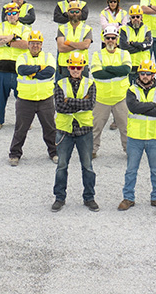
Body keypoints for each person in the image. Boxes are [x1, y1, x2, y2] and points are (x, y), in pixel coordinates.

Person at [119, 59, 156, 211]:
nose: (145, 76)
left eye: (148, 73)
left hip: (154, 137)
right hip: (135, 137)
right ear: (138, 74)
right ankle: (128, 198)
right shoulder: (131, 90)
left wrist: (142, 108)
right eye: (142, 73)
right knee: (131, 170)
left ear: (153, 75)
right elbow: (133, 107)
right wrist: (152, 105)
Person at [52, 53, 98, 212]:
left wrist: (69, 101)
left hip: (84, 130)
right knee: (62, 166)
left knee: (88, 166)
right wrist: (80, 103)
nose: (76, 70)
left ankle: (89, 197)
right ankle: (59, 198)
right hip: (65, 130)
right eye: (73, 67)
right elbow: (59, 106)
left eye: (79, 67)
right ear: (68, 67)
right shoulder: (60, 84)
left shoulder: (90, 83)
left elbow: (90, 105)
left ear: (83, 67)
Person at [9, 32, 58, 166]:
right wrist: (39, 69)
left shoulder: (49, 57)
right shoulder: (22, 57)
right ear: (28, 44)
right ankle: (14, 154)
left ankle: (54, 152)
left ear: (41, 44)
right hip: (25, 100)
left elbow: (50, 72)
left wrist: (32, 73)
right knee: (21, 129)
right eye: (32, 43)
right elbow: (21, 69)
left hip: (45, 99)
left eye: (38, 43)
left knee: (50, 128)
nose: (35, 46)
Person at [90, 24, 131, 158]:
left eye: (113, 38)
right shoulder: (97, 55)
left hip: (121, 98)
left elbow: (126, 70)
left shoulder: (125, 54)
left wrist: (107, 68)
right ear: (104, 39)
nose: (110, 40)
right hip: (102, 99)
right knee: (95, 128)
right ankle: (92, 150)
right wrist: (116, 71)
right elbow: (97, 74)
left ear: (117, 39)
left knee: (126, 128)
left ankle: (129, 150)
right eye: (108, 38)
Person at [0, 3, 29, 130]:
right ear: (6, 15)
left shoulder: (25, 29)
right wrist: (12, 38)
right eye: (9, 13)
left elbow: (26, 44)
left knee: (22, 98)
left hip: (18, 68)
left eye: (14, 13)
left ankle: (23, 121)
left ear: (18, 14)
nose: (12, 16)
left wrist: (6, 42)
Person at [55, 4, 93, 74]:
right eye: (72, 12)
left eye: (77, 12)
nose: (74, 14)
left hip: (81, 65)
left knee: (84, 84)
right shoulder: (62, 28)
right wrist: (79, 45)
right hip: (65, 65)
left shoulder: (87, 29)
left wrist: (69, 43)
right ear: (68, 13)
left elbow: (86, 45)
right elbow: (61, 48)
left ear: (81, 13)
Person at [120, 5, 153, 81]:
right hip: (128, 65)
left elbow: (149, 44)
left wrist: (133, 44)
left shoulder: (146, 29)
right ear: (130, 18)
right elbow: (123, 46)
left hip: (143, 66)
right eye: (133, 17)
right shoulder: (124, 29)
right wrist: (141, 48)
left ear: (141, 17)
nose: (135, 19)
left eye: (137, 17)